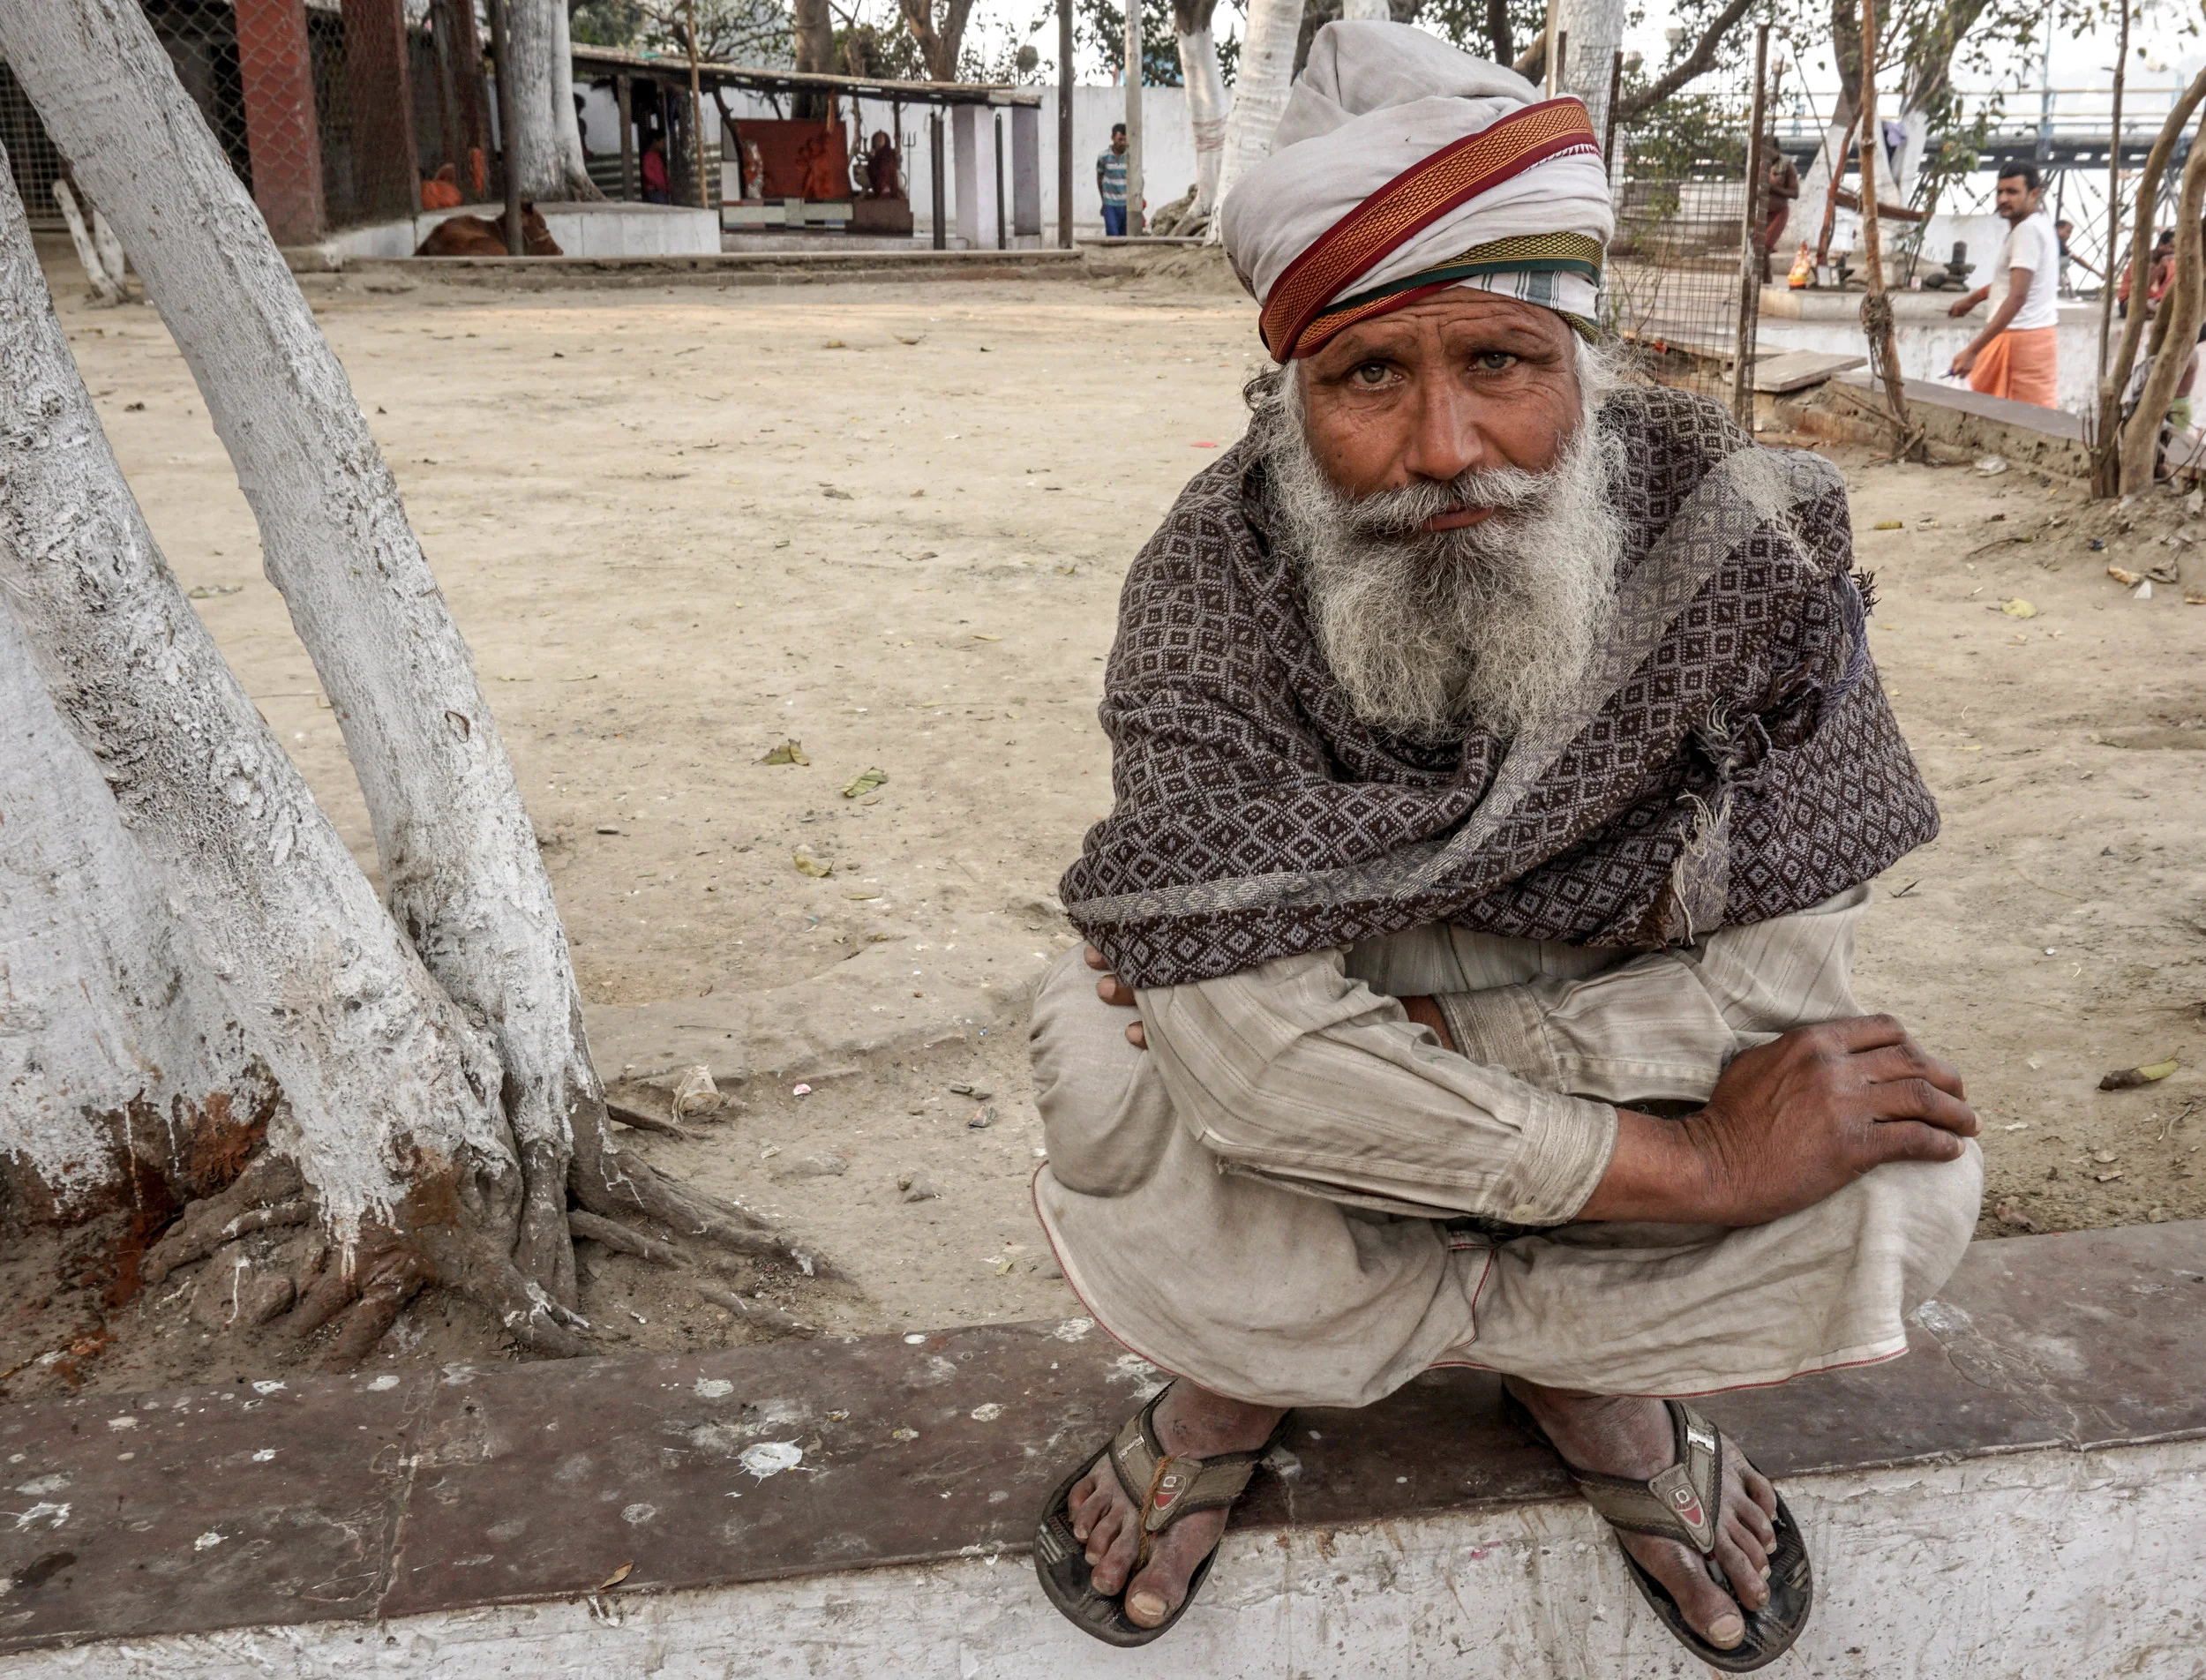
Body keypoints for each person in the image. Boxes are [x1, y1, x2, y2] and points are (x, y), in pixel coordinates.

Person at [1027, 21, 1978, 1672]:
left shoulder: (1744, 533)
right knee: (1102, 1064)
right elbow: (1243, 1067)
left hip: (1381, 1135)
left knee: (1901, 1159)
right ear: (1290, 397)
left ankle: (1289, 1358)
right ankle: (1578, 1366)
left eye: (1501, 365)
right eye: (1372, 377)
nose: (1446, 450)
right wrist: (1701, 1166)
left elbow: (1778, 980)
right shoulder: (1208, 584)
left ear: (1587, 371)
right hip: (1630, 1133)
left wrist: (1384, 1066)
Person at [1947, 161, 2060, 406]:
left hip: (2017, 340)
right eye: (2000, 192)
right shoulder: (2041, 224)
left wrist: (1972, 351)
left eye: (2012, 192)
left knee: (2017, 419)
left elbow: (2017, 296)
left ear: (2034, 194)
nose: (2003, 199)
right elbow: (2012, 282)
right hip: (2035, 337)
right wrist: (1973, 299)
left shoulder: (2026, 232)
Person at [1760, 136, 1798, 284]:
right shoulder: (1761, 165)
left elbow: (1795, 193)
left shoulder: (1787, 166)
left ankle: (1766, 282)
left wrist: (1774, 188)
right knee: (1760, 249)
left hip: (1779, 212)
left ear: (1776, 150)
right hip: (1762, 212)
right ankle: (1764, 282)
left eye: (1769, 151)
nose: (1766, 155)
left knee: (1764, 247)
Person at [1098, 122, 1129, 237]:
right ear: (1112, 138)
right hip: (1110, 204)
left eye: (1125, 140)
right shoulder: (1103, 157)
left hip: (1126, 205)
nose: (1123, 143)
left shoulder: (1130, 157)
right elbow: (1099, 178)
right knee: (1113, 237)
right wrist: (1103, 201)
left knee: (1125, 237)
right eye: (1120, 139)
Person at [640, 134, 669, 205]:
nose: (663, 145)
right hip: (655, 190)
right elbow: (647, 172)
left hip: (661, 190)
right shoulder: (649, 157)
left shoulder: (656, 156)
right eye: (662, 142)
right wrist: (658, 184)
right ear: (655, 142)